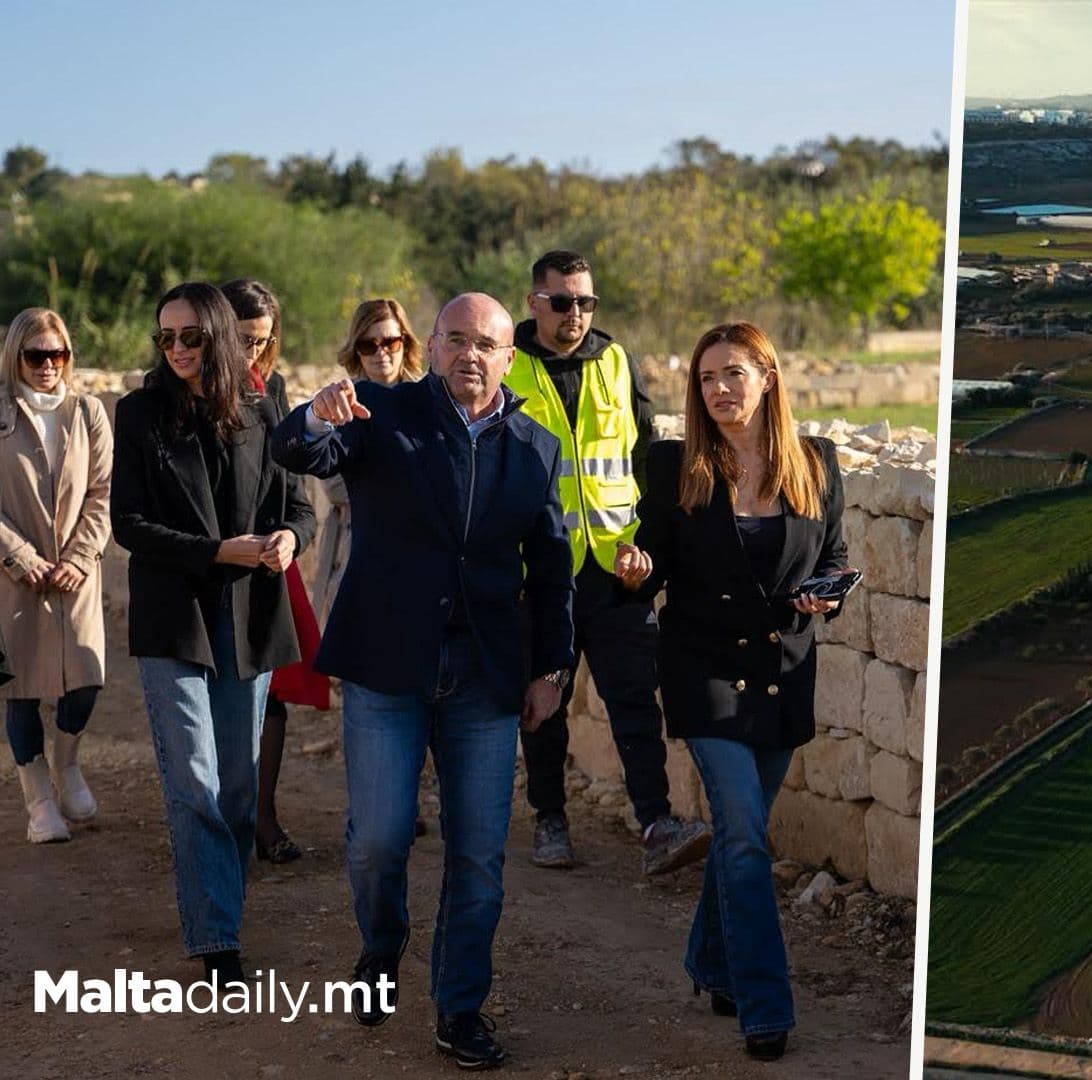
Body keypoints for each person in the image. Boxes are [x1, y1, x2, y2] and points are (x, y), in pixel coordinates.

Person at [271, 292, 573, 1070]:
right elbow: (297, 452)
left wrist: (551, 668)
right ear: (431, 345)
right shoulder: (377, 410)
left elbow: (551, 572)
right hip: (386, 667)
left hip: (486, 677)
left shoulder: (536, 447)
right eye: (456, 340)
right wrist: (315, 415)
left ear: (513, 358)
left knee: (477, 857)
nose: (470, 355)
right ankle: (382, 944)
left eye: (488, 345)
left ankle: (460, 1008)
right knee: (378, 841)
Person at [625, 322, 852, 1062]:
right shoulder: (672, 466)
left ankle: (711, 963)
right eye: (707, 379)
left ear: (768, 377)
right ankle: (766, 1007)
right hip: (705, 672)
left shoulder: (816, 465)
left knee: (736, 836)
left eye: (733, 374)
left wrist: (826, 597)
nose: (718, 390)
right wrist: (634, 569)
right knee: (750, 839)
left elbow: (835, 556)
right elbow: (654, 562)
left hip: (783, 675)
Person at [111, 282, 314, 986]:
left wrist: (289, 537)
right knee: (193, 780)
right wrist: (216, 551)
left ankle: (221, 900)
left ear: (222, 337)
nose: (176, 350)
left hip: (249, 620)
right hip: (174, 618)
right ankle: (217, 939)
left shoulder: (264, 410)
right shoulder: (138, 413)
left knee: (235, 787)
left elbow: (300, 509)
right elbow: (128, 524)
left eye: (190, 337)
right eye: (165, 338)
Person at [503, 250, 708, 872]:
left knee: (634, 699)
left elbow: (642, 459)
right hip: (540, 571)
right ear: (534, 302)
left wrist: (645, 545)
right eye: (563, 302)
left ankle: (655, 822)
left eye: (586, 302)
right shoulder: (505, 366)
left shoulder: (615, 361)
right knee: (544, 705)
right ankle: (550, 820)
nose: (576, 314)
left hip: (616, 568)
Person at [222, 278, 328, 865]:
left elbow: (290, 480)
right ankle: (222, 823)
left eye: (264, 342)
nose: (254, 355)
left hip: (267, 560)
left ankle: (263, 816)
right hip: (214, 563)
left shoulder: (275, 386)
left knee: (273, 697)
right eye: (242, 340)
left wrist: (290, 532)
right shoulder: (183, 388)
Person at [0, 308, 111, 844]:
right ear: (16, 357)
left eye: (58, 354)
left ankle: (68, 765)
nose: (48, 366)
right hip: (12, 578)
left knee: (84, 683)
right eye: (36, 355)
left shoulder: (87, 412)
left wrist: (81, 556)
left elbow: (103, 491)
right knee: (20, 690)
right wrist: (19, 557)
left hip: (76, 573)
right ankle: (39, 800)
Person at [311, 298, 425, 627]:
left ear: (405, 341)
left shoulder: (430, 402)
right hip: (355, 554)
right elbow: (333, 484)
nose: (381, 353)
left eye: (389, 341)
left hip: (417, 559)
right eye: (368, 345)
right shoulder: (339, 403)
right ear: (356, 350)